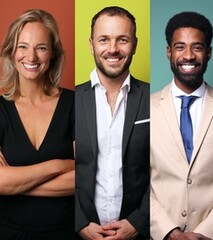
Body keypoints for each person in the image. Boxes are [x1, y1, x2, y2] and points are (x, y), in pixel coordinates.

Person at [74, 6, 149, 240]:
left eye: (122, 40)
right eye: (104, 39)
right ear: (91, 44)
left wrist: (138, 222)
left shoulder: (155, 99)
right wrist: (80, 223)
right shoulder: (69, 101)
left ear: (135, 44)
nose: (113, 49)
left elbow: (166, 172)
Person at [0, 9, 75, 240]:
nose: (31, 57)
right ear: (12, 52)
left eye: (41, 48)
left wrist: (15, 183)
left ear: (53, 53)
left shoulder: (75, 103)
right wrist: (57, 165)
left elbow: (86, 178)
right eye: (23, 46)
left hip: (66, 233)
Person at [149, 11, 213, 240]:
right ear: (169, 52)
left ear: (209, 53)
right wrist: (168, 231)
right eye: (180, 47)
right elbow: (137, 181)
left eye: (198, 47)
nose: (189, 56)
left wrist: (205, 232)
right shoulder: (146, 108)